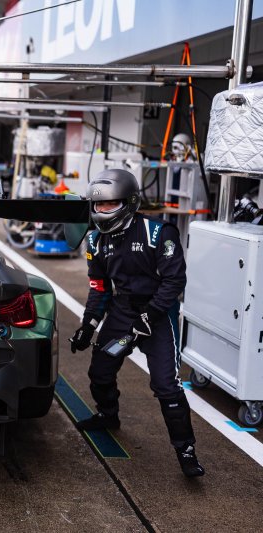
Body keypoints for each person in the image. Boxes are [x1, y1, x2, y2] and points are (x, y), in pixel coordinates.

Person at [70, 169, 204, 477]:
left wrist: (151, 315)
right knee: (99, 371)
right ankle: (108, 415)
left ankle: (186, 450)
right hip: (122, 311)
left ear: (129, 202)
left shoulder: (158, 233)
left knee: (166, 386)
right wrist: (88, 325)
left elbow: (174, 281)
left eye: (110, 204)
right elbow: (99, 287)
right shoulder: (95, 240)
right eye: (99, 204)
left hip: (159, 313)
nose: (103, 210)